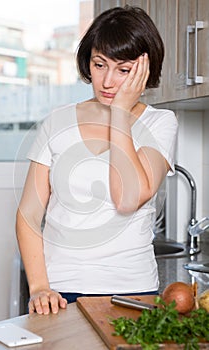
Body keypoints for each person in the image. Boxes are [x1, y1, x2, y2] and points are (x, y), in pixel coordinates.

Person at [16, 5, 178, 315]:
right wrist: (39, 286)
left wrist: (119, 113)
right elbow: (28, 214)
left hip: (133, 290)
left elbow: (127, 198)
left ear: (144, 70)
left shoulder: (160, 122)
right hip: (59, 290)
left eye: (123, 70)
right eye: (99, 64)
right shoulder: (56, 122)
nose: (107, 81)